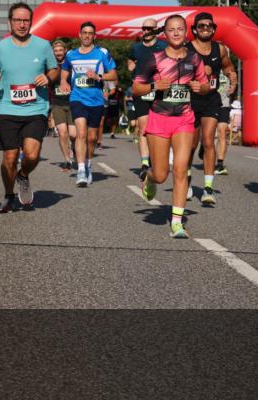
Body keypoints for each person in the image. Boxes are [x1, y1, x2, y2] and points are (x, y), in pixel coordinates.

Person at [134, 15, 210, 238]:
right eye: (171, 29)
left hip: (184, 119)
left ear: (186, 32)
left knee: (181, 168)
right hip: (159, 118)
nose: (176, 33)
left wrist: (200, 88)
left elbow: (206, 85)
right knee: (161, 175)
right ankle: (149, 178)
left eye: (180, 29)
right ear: (164, 34)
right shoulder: (154, 58)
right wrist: (154, 86)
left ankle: (177, 222)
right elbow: (136, 88)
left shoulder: (194, 59)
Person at [0, 2, 58, 213]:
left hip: (36, 109)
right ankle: (9, 195)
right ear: (9, 22)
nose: (21, 24)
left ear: (31, 22)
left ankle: (23, 175)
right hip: (8, 109)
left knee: (32, 155)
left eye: (26, 20)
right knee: (9, 158)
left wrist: (48, 77)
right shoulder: (0, 48)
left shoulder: (43, 45)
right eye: (17, 20)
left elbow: (54, 69)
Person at [185, 12, 237, 205]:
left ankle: (208, 188)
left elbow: (228, 66)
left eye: (209, 25)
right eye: (201, 26)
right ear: (194, 30)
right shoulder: (187, 49)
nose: (205, 28)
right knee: (191, 145)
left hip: (211, 100)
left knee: (208, 141)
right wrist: (196, 74)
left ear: (214, 29)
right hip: (191, 100)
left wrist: (232, 76)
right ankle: (186, 180)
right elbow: (176, 72)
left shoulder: (220, 49)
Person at [59, 21, 118, 187]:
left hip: (96, 100)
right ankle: (80, 171)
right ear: (79, 35)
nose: (87, 36)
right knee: (81, 134)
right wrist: (64, 81)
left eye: (90, 33)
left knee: (91, 139)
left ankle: (88, 165)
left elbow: (113, 75)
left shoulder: (102, 53)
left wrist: (99, 77)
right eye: (84, 33)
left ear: (94, 36)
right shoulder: (71, 54)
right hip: (77, 98)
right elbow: (64, 70)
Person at [127, 18, 166, 176]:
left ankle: (154, 157)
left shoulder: (164, 46)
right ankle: (144, 163)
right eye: (144, 28)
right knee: (144, 127)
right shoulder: (136, 47)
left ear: (156, 29)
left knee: (158, 128)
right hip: (142, 90)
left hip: (160, 91)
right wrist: (131, 65)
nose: (146, 31)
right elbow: (130, 58)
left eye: (149, 28)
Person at [49, 38, 76, 171]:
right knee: (62, 133)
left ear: (65, 51)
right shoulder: (50, 66)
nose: (58, 52)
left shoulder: (72, 64)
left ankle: (75, 150)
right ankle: (67, 160)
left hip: (72, 102)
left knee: (73, 135)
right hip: (57, 103)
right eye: (56, 50)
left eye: (61, 50)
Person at [214, 72, 233, 175]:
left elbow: (234, 77)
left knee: (222, 131)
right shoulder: (207, 64)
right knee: (208, 135)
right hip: (210, 104)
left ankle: (220, 164)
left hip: (224, 104)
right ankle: (204, 147)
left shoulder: (228, 66)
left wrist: (234, 85)